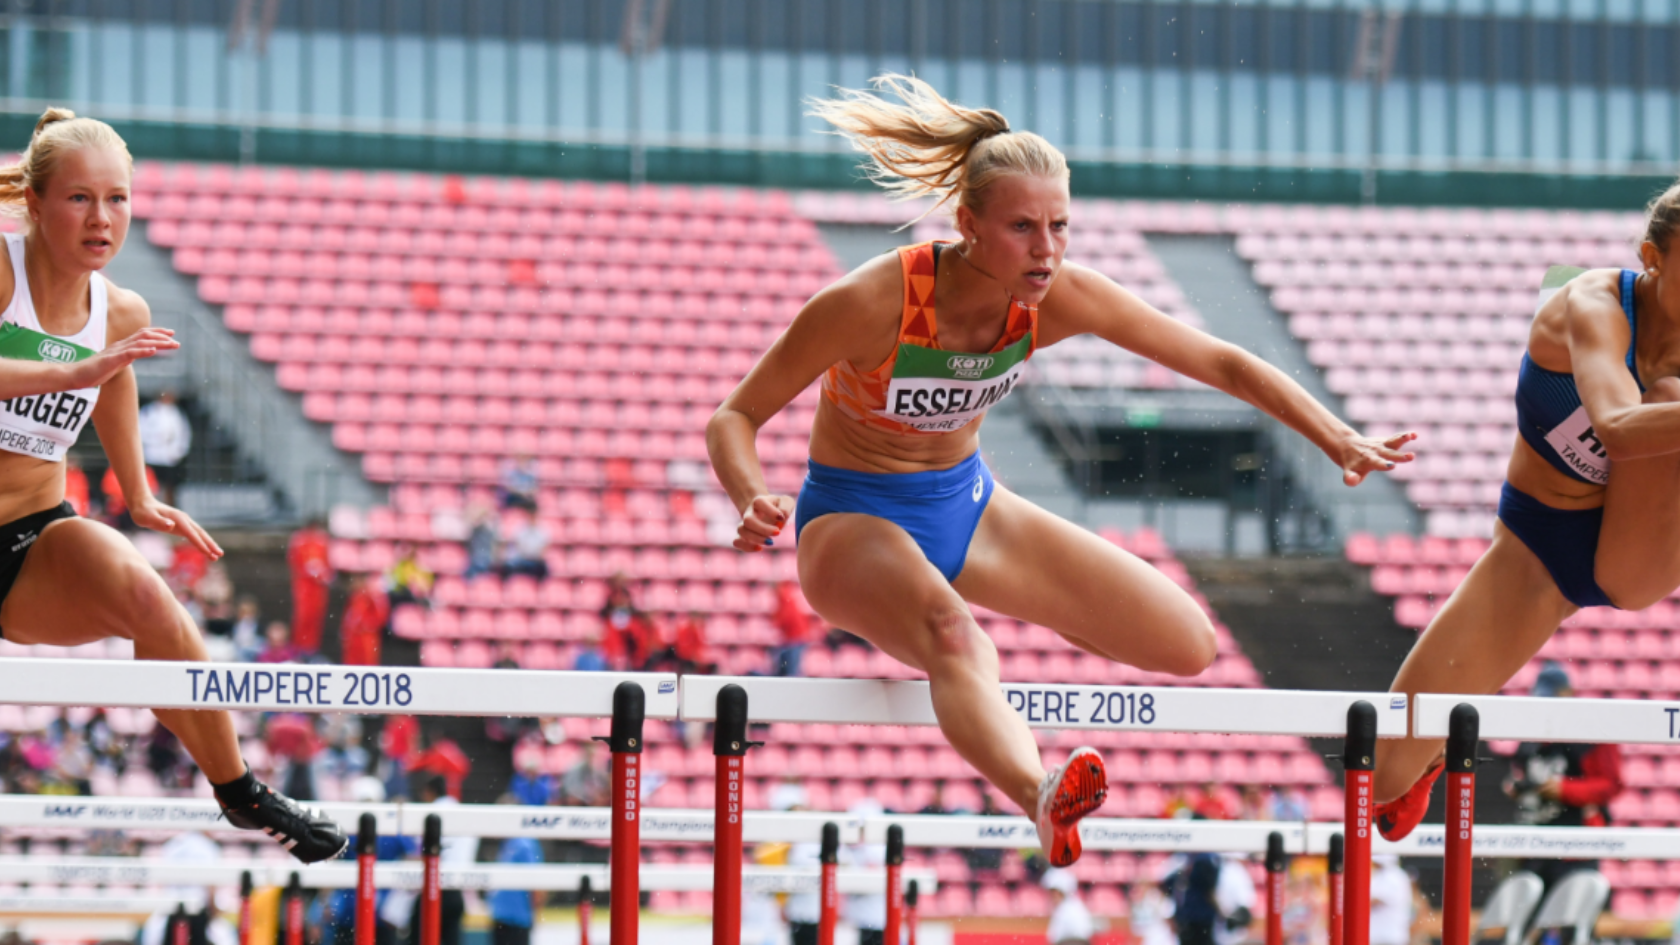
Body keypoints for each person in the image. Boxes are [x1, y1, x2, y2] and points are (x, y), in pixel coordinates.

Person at [705, 75, 1412, 867]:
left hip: (967, 507)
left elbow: (1218, 359)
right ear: (967, 224)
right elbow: (734, 415)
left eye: (1060, 226)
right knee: (955, 637)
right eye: (1022, 228)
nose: (1047, 250)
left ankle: (1008, 624)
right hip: (851, 519)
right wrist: (750, 494)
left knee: (1187, 643)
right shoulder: (869, 300)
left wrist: (1337, 436)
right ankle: (1040, 793)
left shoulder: (1057, 297)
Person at [0, 107, 343, 861]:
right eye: (81, 198)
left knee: (151, 598)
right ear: (35, 202)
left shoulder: (122, 309)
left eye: (117, 198)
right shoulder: (1, 268)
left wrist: (140, 494)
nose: (102, 218)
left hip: (27, 539)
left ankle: (241, 791)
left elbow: (115, 380)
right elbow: (90, 371)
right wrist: (73, 371)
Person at [1373, 185, 1680, 839]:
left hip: (1636, 554)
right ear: (1653, 257)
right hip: (1537, 547)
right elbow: (1621, 428)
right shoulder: (1592, 302)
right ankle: (1424, 765)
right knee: (1380, 778)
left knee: (1673, 391)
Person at [1504, 662, 1624, 891]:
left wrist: (1564, 789)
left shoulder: (1592, 734)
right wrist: (1517, 787)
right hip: (1533, 842)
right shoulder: (1530, 736)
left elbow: (1612, 784)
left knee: (1569, 917)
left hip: (1576, 845)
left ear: (1569, 694)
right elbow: (1520, 774)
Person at [408, 774, 474, 945]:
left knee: (419, 938)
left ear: (429, 792)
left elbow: (421, 853)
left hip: (433, 887)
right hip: (457, 890)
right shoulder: (464, 812)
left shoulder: (430, 814)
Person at [487, 795, 544, 945]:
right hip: (502, 918)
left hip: (517, 921)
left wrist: (535, 914)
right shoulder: (507, 843)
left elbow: (536, 884)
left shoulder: (524, 844)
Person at [286, 518, 332, 654]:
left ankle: (312, 647)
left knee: (316, 616)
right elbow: (295, 562)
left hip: (318, 586)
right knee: (302, 615)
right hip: (304, 584)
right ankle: (299, 646)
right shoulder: (299, 540)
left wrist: (321, 573)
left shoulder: (322, 541)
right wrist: (311, 571)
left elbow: (327, 562)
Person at [137, 389, 189, 505]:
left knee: (169, 485)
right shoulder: (148, 412)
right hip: (152, 455)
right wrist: (154, 440)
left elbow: (183, 433)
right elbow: (140, 430)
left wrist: (178, 451)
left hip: (169, 456)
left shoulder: (175, 413)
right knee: (152, 485)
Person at [340, 574, 390, 667]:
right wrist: (346, 633)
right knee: (350, 666)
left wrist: (366, 625)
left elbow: (381, 616)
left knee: (367, 666)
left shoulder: (373, 595)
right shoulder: (355, 597)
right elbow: (349, 617)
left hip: (366, 637)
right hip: (353, 638)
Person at [770, 580, 815, 677]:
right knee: (792, 667)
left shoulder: (784, 597)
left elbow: (786, 618)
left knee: (792, 668)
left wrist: (776, 623)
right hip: (796, 636)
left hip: (795, 637)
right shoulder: (786, 596)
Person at [1369, 855, 1413, 945]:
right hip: (1378, 936)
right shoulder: (1380, 875)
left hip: (1389, 937)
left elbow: (1372, 900)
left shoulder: (1393, 876)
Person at [1043, 868, 1095, 945]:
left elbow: (1054, 936)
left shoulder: (1067, 908)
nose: (1052, 896)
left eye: (1054, 893)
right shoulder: (1076, 906)